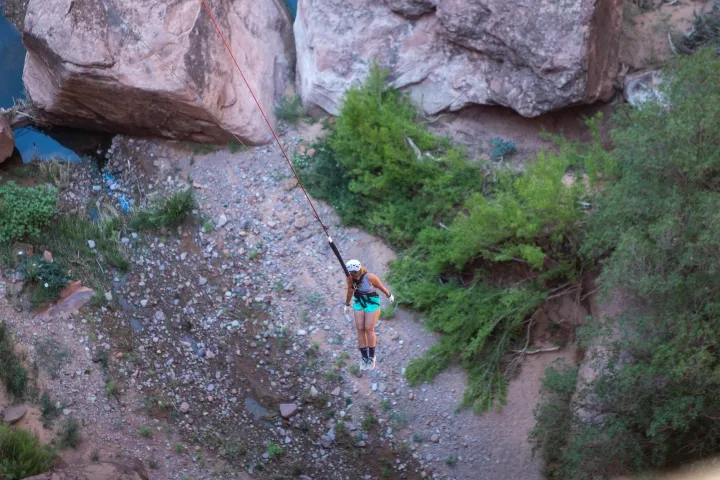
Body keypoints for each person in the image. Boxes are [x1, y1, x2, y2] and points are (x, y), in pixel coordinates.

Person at [343, 259, 394, 371]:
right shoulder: (350, 279)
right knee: (360, 329)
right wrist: (347, 304)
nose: (355, 276)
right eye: (353, 274)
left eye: (356, 273)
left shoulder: (369, 277)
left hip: (371, 302)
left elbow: (380, 286)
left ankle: (372, 356)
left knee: (368, 329)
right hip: (359, 301)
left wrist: (389, 295)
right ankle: (364, 357)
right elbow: (350, 291)